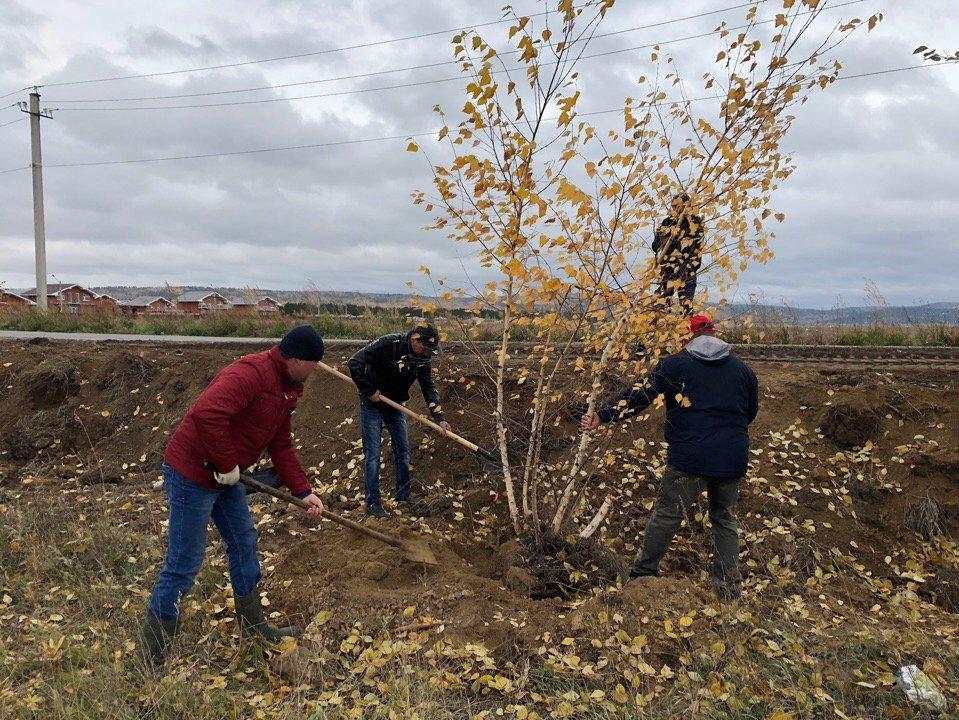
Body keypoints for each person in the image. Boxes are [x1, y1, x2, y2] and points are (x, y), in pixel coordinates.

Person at [140, 325, 326, 669]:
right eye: (313, 364)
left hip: (226, 476)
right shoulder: (250, 374)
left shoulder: (288, 389)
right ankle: (152, 659)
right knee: (183, 566)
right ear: (296, 358)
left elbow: (281, 444)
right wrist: (227, 463)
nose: (314, 372)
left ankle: (254, 627)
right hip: (192, 472)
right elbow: (207, 415)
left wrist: (304, 491)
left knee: (243, 540)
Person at [580, 315, 758, 600]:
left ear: (687, 337)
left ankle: (643, 575)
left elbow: (639, 397)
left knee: (667, 515)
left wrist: (603, 415)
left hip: (689, 458)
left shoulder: (674, 365)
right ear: (715, 334)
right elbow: (750, 413)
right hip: (731, 457)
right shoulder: (743, 371)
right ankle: (728, 588)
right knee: (725, 519)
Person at [348, 325, 451, 517]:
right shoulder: (388, 344)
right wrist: (369, 391)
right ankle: (372, 503)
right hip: (373, 403)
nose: (427, 354)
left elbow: (428, 387)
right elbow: (354, 362)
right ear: (414, 340)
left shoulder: (422, 359)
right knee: (373, 454)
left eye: (431, 351)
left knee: (403, 451)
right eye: (426, 349)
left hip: (395, 405)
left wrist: (440, 418)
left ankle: (403, 497)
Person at [653, 193, 706, 314]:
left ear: (687, 206)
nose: (674, 209)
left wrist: (675, 238)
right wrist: (663, 236)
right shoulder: (667, 222)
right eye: (672, 206)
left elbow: (695, 248)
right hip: (667, 271)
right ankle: (656, 331)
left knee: (686, 310)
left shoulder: (696, 223)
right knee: (659, 308)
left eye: (677, 206)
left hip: (687, 271)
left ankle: (687, 331)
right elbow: (655, 246)